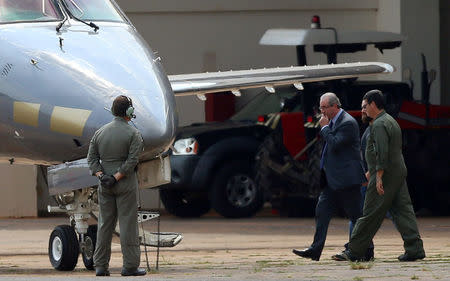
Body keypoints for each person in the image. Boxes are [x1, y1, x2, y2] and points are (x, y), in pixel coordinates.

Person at [333, 89, 425, 262]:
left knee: (369, 213)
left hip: (385, 174)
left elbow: (381, 153)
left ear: (374, 104)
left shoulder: (379, 125)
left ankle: (354, 251)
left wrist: (378, 176)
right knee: (403, 211)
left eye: (365, 106)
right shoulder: (391, 121)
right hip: (397, 172)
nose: (363, 110)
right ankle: (415, 249)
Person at [292, 92, 365, 261]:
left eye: (324, 108)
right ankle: (315, 249)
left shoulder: (347, 123)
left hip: (347, 179)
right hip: (331, 179)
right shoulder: (333, 121)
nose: (322, 111)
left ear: (335, 106)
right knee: (322, 212)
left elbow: (336, 143)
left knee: (356, 216)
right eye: (320, 107)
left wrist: (324, 128)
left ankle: (366, 250)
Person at [87, 95, 146, 276]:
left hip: (105, 184)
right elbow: (132, 160)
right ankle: (130, 266)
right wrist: (117, 176)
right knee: (128, 224)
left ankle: (100, 266)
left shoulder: (100, 133)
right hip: (125, 183)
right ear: (129, 112)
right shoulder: (133, 134)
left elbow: (92, 158)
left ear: (113, 111)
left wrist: (102, 176)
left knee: (105, 225)